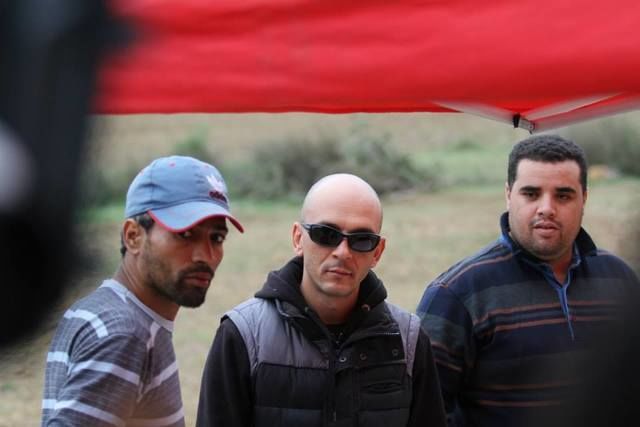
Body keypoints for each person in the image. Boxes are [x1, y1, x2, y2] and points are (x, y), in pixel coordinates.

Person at [416, 134, 640, 426]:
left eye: (563, 195)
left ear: (584, 198)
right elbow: (424, 412)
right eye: (531, 194)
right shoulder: (458, 294)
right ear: (509, 195)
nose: (546, 208)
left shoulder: (620, 280)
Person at [196, 173, 446, 427]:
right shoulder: (243, 336)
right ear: (298, 238)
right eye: (326, 234)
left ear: (377, 252)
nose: (342, 252)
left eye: (361, 240)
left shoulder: (408, 342)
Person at [41, 155, 244, 426]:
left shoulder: (98, 311)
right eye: (185, 234)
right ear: (133, 236)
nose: (205, 255)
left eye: (217, 238)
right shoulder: (124, 335)